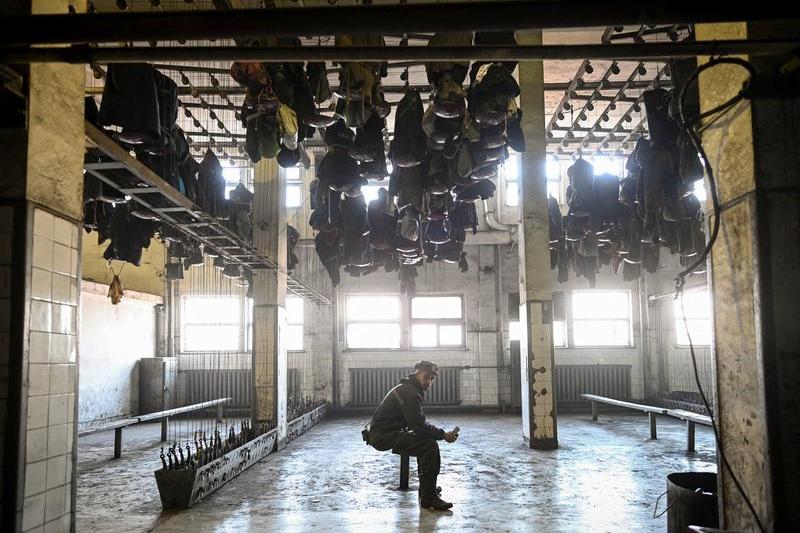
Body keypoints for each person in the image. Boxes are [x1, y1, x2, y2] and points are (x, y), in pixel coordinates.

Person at [364, 360, 459, 511]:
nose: (428, 382)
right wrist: (443, 435)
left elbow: (417, 422)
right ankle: (428, 497)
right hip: (382, 436)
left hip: (385, 432)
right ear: (417, 373)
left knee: (426, 441)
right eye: (426, 377)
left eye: (431, 379)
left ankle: (428, 489)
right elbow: (420, 428)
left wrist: (432, 432)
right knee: (429, 445)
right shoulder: (410, 393)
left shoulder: (409, 389)